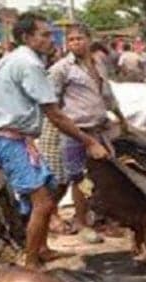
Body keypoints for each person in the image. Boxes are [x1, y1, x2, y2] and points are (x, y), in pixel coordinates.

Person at [0, 13, 109, 269]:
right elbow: (54, 112)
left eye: (50, 34)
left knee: (50, 194)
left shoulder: (15, 59)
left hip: (20, 138)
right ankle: (30, 262)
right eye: (43, 34)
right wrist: (89, 142)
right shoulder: (32, 65)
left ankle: (42, 248)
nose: (50, 39)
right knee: (44, 201)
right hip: (15, 140)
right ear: (26, 37)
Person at [49, 24, 129, 246]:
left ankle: (103, 218)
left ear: (89, 39)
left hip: (99, 128)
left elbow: (108, 95)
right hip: (77, 131)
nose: (76, 43)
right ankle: (81, 223)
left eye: (80, 38)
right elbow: (51, 103)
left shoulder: (98, 64)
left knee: (105, 174)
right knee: (79, 179)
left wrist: (121, 117)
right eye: (72, 40)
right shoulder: (61, 69)